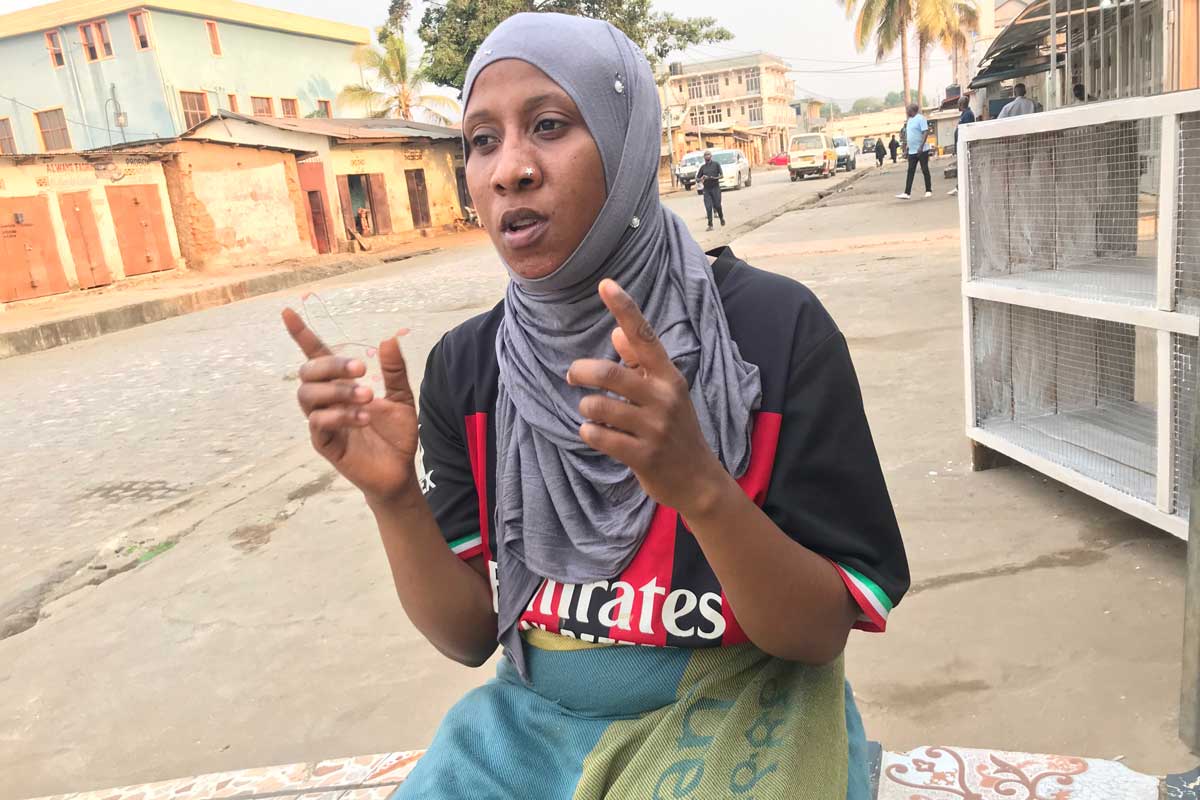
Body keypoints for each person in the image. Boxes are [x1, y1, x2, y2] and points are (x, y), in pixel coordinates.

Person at [283, 12, 907, 800]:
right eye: (481, 140)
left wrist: (705, 490)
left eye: (549, 126)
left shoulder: (774, 335)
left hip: (749, 702)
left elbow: (818, 634)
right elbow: (471, 636)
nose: (510, 170)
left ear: (628, 141)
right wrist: (395, 498)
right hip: (536, 718)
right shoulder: (472, 371)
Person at [896, 102, 932, 200]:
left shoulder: (921, 118)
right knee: (910, 171)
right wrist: (907, 148)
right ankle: (907, 193)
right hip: (912, 151)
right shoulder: (909, 121)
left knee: (924, 169)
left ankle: (928, 190)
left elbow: (925, 132)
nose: (906, 111)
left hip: (922, 150)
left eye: (907, 110)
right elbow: (910, 135)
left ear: (912, 110)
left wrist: (921, 146)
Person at [947, 95, 975, 196]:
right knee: (962, 168)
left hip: (965, 146)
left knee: (964, 168)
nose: (957, 106)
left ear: (961, 104)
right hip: (961, 146)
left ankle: (962, 188)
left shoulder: (967, 114)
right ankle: (960, 187)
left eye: (958, 104)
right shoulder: (964, 113)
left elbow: (966, 130)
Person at [695, 149, 725, 230]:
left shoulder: (716, 164)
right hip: (707, 189)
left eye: (708, 155)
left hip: (715, 187)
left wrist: (713, 178)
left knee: (717, 205)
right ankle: (710, 225)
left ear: (711, 156)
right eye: (705, 155)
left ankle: (721, 218)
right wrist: (701, 178)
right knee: (708, 207)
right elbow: (697, 178)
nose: (707, 156)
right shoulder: (703, 167)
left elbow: (722, 175)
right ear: (704, 157)